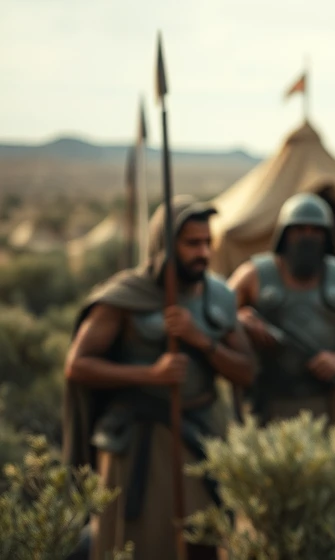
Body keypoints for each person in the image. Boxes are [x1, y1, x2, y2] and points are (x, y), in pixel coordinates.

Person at [63, 197, 256, 560]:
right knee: (135, 544)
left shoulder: (218, 296)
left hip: (199, 434)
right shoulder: (125, 298)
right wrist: (149, 374)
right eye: (191, 244)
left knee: (203, 539)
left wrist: (202, 340)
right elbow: (77, 365)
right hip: (138, 441)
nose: (203, 252)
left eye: (206, 242)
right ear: (164, 246)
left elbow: (245, 371)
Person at [229, 193, 335, 440]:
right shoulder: (253, 275)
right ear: (284, 234)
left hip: (326, 401)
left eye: (315, 231)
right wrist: (240, 319)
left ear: (327, 237)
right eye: (299, 230)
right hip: (267, 401)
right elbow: (216, 311)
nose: (307, 237)